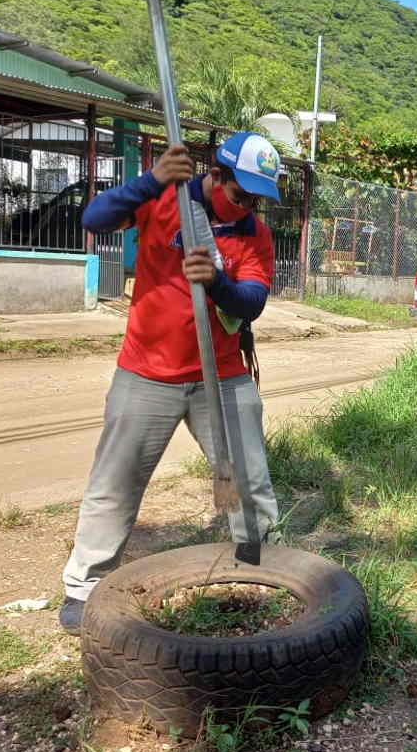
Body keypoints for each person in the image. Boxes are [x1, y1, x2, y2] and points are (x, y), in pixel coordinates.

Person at [58, 131, 285, 635]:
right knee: (115, 483)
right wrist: (152, 178)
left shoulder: (254, 235)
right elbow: (93, 220)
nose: (245, 206)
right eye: (240, 193)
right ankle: (85, 583)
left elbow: (251, 303)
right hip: (146, 374)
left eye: (256, 199)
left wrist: (218, 283)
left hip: (223, 377)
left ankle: (255, 564)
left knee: (248, 478)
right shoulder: (164, 199)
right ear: (216, 174)